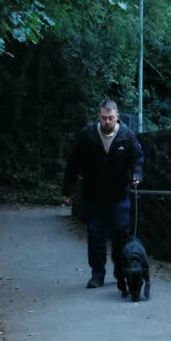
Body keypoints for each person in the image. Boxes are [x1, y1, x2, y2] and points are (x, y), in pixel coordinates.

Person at [62, 100, 144, 289]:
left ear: (117, 117)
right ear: (98, 117)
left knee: (121, 234)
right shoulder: (87, 135)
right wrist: (67, 190)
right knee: (95, 233)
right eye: (104, 118)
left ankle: (121, 271)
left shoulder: (127, 136)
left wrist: (137, 177)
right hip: (93, 194)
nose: (107, 121)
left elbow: (137, 160)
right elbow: (74, 163)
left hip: (119, 193)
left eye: (111, 118)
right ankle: (97, 274)